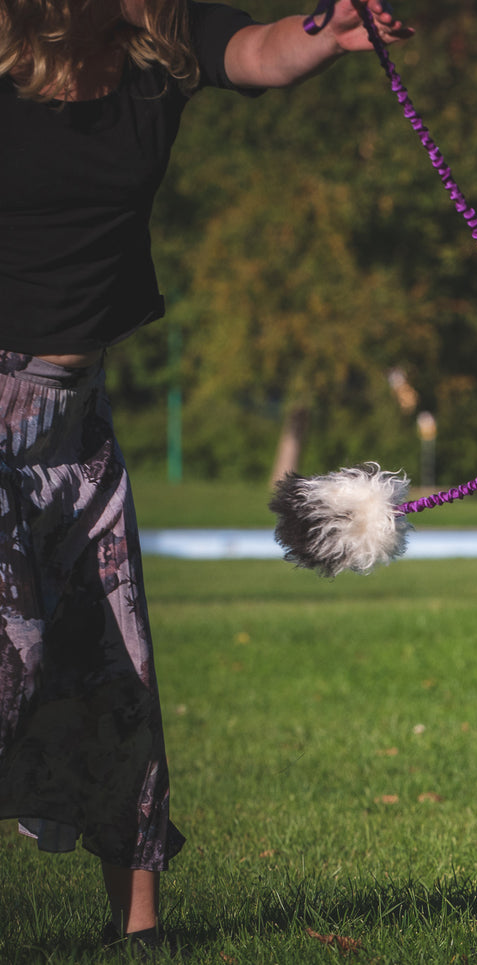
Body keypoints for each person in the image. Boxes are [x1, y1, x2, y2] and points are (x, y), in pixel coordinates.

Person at [0, 0, 411, 950]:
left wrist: (332, 33)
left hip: (76, 422)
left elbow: (261, 51)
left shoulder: (160, 41)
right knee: (11, 659)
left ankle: (139, 933)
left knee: (116, 669)